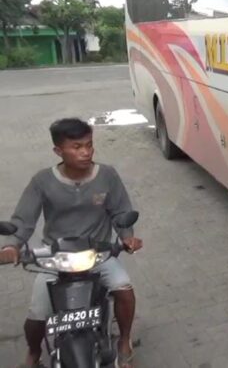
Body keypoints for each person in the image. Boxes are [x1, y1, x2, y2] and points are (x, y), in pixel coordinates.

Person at [0, 118, 142, 368]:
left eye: (89, 145)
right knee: (36, 315)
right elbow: (23, 220)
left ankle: (124, 341)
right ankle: (34, 352)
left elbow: (121, 211)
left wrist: (126, 236)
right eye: (76, 147)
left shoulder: (107, 175)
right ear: (58, 151)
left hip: (97, 253)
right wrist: (12, 246)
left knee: (124, 289)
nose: (86, 152)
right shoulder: (42, 181)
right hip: (55, 257)